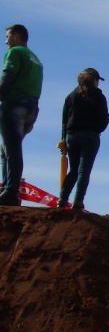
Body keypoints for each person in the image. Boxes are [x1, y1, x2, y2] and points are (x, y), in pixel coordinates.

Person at [0, 24, 43, 206]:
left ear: (17, 37)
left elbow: (7, 77)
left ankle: (10, 192)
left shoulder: (15, 52)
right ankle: (6, 188)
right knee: (6, 150)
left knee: (12, 150)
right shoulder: (36, 59)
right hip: (31, 107)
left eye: (8, 36)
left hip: (14, 104)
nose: (6, 41)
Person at [57, 68, 109, 211]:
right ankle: (78, 201)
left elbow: (64, 120)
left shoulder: (70, 96)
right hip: (90, 136)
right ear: (94, 81)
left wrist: (64, 138)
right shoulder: (99, 97)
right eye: (97, 80)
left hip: (71, 136)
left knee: (73, 170)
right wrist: (97, 130)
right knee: (83, 171)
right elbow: (104, 119)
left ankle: (62, 198)